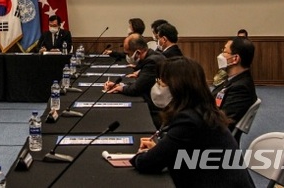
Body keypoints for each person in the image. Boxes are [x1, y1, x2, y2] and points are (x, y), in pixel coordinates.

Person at [131, 57, 254, 187]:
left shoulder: (188, 120)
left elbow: (147, 163)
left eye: (161, 82)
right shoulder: (202, 110)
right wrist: (159, 150)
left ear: (177, 86)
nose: (158, 86)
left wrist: (140, 156)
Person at [103, 33, 165, 126]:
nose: (127, 56)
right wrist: (120, 85)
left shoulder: (151, 62)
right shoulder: (152, 56)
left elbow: (136, 88)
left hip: (157, 110)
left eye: (128, 53)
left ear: (138, 52)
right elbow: (142, 83)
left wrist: (120, 88)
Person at [212, 36, 257, 131]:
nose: (221, 55)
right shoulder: (232, 79)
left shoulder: (241, 88)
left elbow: (222, 122)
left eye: (224, 51)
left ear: (235, 58)